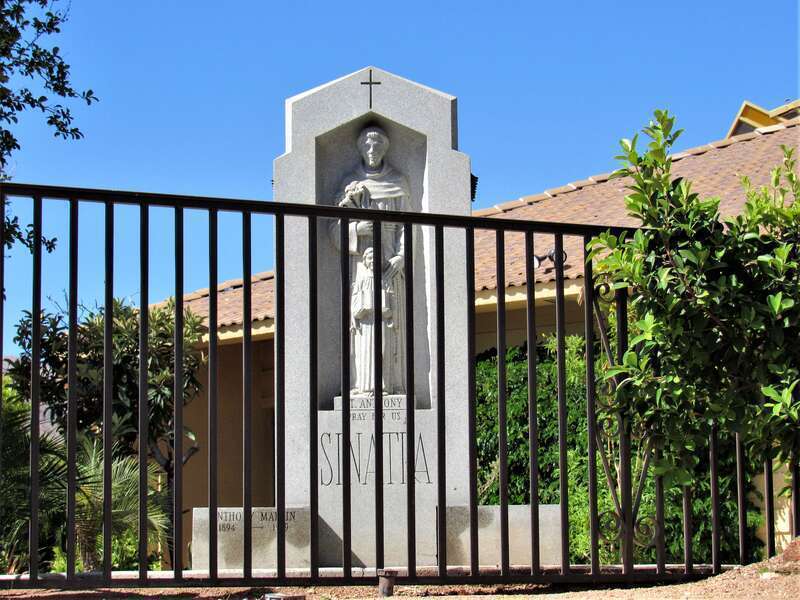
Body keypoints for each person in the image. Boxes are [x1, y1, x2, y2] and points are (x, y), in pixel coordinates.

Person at [332, 125, 409, 395]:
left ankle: (390, 384)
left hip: (389, 266)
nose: (372, 150)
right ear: (361, 149)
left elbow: (408, 227)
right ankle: (362, 385)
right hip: (361, 268)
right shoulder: (349, 185)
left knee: (389, 325)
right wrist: (356, 230)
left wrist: (401, 257)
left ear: (384, 148)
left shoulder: (397, 182)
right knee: (363, 323)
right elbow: (334, 231)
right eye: (367, 146)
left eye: (377, 146)